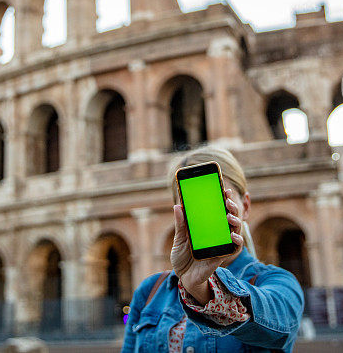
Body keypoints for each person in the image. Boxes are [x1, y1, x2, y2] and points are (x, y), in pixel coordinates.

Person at [121, 146, 304, 353]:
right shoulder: (149, 291)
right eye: (191, 204)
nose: (210, 210)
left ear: (245, 206)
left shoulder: (278, 282)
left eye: (222, 197)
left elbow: (279, 328)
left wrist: (202, 289)